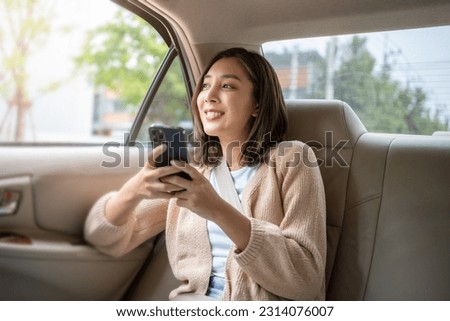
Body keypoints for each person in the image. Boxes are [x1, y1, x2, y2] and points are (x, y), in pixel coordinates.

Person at [84, 47, 326, 300]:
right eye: (205, 85)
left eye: (228, 86)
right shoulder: (197, 173)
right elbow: (104, 237)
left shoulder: (293, 159)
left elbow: (305, 278)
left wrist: (217, 209)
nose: (208, 96)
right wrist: (134, 189)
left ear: (257, 104)